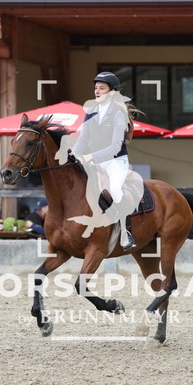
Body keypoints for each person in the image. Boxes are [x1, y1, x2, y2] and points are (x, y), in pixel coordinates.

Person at [69, 71, 142, 251]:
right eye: (96, 88)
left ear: (111, 92)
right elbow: (83, 139)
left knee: (115, 190)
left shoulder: (118, 113)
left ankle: (126, 231)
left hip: (116, 161)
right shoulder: (91, 111)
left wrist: (89, 156)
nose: (97, 91)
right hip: (95, 161)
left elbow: (115, 147)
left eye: (102, 88)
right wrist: (73, 154)